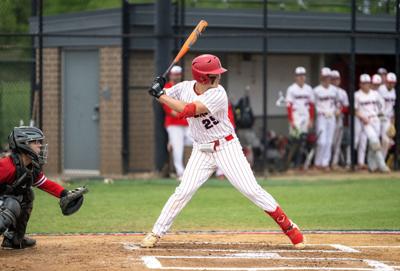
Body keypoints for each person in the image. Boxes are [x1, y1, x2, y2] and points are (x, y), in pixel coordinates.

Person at [142, 54, 305, 249]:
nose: (218, 77)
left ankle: (289, 227)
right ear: (202, 77)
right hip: (201, 150)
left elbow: (186, 110)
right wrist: (160, 87)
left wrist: (160, 94)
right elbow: (169, 95)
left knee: (251, 190)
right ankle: (156, 232)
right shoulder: (185, 87)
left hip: (226, 148)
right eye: (214, 74)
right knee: (183, 191)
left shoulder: (218, 93)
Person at [0, 126, 88, 249]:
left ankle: (13, 238)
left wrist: (65, 194)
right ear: (23, 144)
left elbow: (44, 183)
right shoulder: (6, 166)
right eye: (35, 142)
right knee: (12, 204)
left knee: (27, 195)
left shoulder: (31, 166)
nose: (40, 145)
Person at [162, 66, 192, 180]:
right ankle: (181, 173)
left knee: (197, 141)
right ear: (170, 75)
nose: (176, 76)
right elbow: (171, 111)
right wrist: (186, 112)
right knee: (178, 148)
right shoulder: (167, 88)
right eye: (174, 74)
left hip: (187, 123)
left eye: (178, 74)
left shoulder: (183, 87)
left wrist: (187, 113)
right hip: (173, 124)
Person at [354, 74, 389, 172]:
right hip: (365, 121)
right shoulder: (357, 95)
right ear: (360, 84)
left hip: (375, 120)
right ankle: (382, 165)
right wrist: (363, 117)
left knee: (373, 144)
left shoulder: (375, 94)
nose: (366, 85)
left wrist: (381, 115)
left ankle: (372, 166)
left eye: (367, 83)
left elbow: (381, 106)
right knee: (374, 142)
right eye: (364, 83)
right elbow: (355, 110)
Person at [285, 66, 315, 169]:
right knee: (294, 140)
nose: (301, 77)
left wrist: (311, 119)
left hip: (305, 116)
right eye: (299, 75)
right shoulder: (291, 89)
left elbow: (311, 105)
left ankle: (299, 164)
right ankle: (290, 163)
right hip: (296, 116)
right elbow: (288, 106)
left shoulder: (309, 89)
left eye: (303, 75)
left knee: (303, 140)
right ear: (296, 77)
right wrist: (291, 120)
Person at [313, 67, 338, 170]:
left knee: (329, 141)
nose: (327, 79)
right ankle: (317, 163)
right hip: (321, 117)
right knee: (321, 141)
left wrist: (337, 111)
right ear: (321, 78)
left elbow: (338, 103)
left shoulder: (334, 90)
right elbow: (312, 105)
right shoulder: (316, 90)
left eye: (328, 77)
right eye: (325, 77)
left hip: (331, 117)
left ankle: (325, 163)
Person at [330, 70, 350, 169]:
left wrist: (340, 110)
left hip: (339, 119)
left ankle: (334, 163)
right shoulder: (328, 91)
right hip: (329, 118)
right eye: (333, 79)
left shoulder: (343, 92)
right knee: (329, 141)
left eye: (337, 79)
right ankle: (326, 163)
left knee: (337, 143)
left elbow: (346, 107)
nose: (335, 81)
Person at [378, 72, 397, 160]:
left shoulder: (394, 92)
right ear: (386, 81)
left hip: (387, 119)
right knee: (375, 141)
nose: (391, 84)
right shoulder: (380, 89)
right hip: (378, 117)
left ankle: (381, 162)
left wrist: (392, 123)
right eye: (389, 82)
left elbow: (393, 108)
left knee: (386, 141)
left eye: (393, 82)